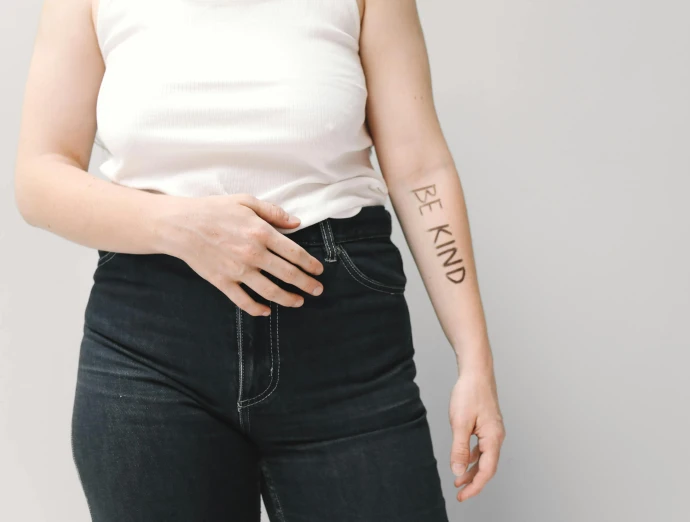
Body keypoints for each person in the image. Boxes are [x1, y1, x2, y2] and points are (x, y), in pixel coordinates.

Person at [13, 0, 506, 520]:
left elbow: (420, 170)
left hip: (343, 343)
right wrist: (178, 227)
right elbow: (39, 176)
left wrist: (475, 361)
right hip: (151, 348)